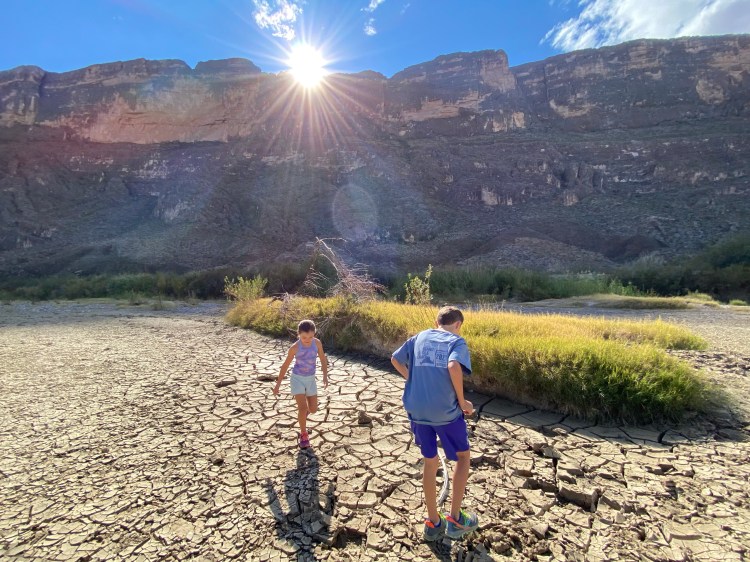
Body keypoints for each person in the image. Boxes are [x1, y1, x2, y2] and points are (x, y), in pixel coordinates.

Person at [391, 305, 479, 541]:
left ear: (436, 322)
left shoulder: (419, 337)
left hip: (416, 410)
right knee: (463, 457)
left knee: (430, 463)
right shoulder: (456, 341)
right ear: (458, 324)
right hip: (445, 412)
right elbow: (453, 366)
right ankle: (456, 520)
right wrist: (462, 401)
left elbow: (395, 359)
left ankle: (433, 522)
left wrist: (411, 379)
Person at [273, 319, 329, 449]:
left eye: (310, 337)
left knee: (313, 410)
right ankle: (304, 435)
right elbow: (285, 366)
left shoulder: (317, 343)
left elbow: (322, 358)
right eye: (304, 337)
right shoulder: (295, 348)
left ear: (314, 334)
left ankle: (303, 415)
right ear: (298, 334)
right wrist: (278, 385)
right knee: (302, 408)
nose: (307, 340)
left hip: (310, 379)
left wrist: (325, 375)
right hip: (297, 379)